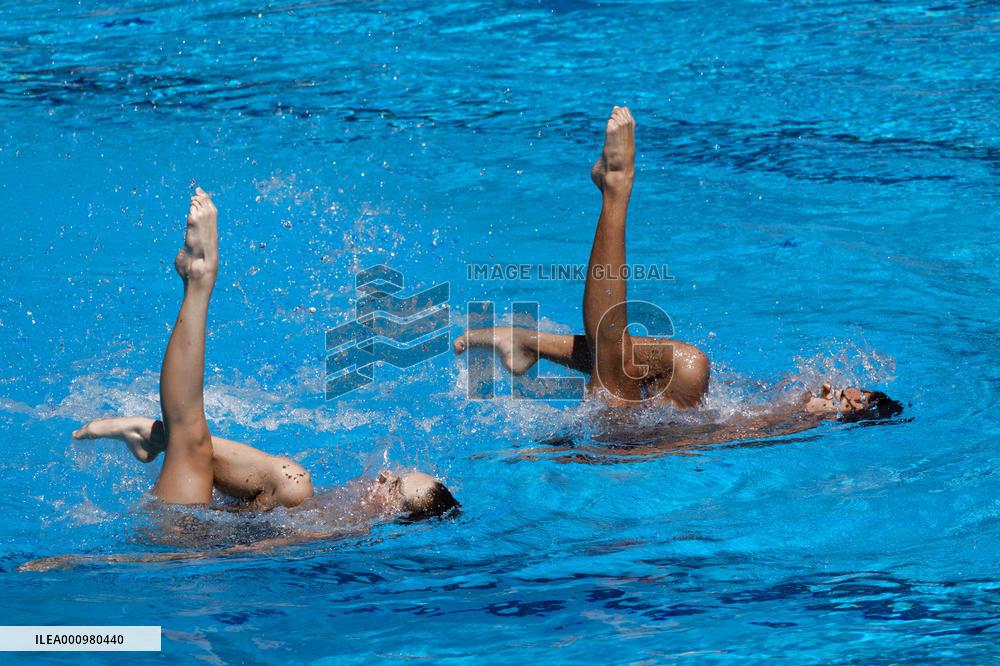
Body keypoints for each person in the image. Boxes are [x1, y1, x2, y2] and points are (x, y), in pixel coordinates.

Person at [455, 107, 902, 425]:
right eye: (840, 387)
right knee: (690, 364)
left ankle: (615, 189)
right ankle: (526, 344)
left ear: (842, 421)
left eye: (842, 400)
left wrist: (612, 438)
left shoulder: (790, 430)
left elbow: (705, 442)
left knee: (616, 347)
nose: (827, 390)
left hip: (620, 446)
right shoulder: (788, 407)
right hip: (652, 428)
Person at [71, 188, 458, 520]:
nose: (383, 476)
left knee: (192, 437)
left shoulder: (344, 530)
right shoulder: (336, 510)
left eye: (392, 489)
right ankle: (155, 439)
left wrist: (90, 565)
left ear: (391, 515)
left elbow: (242, 553)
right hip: (235, 520)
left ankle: (198, 279)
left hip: (183, 538)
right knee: (294, 482)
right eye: (394, 475)